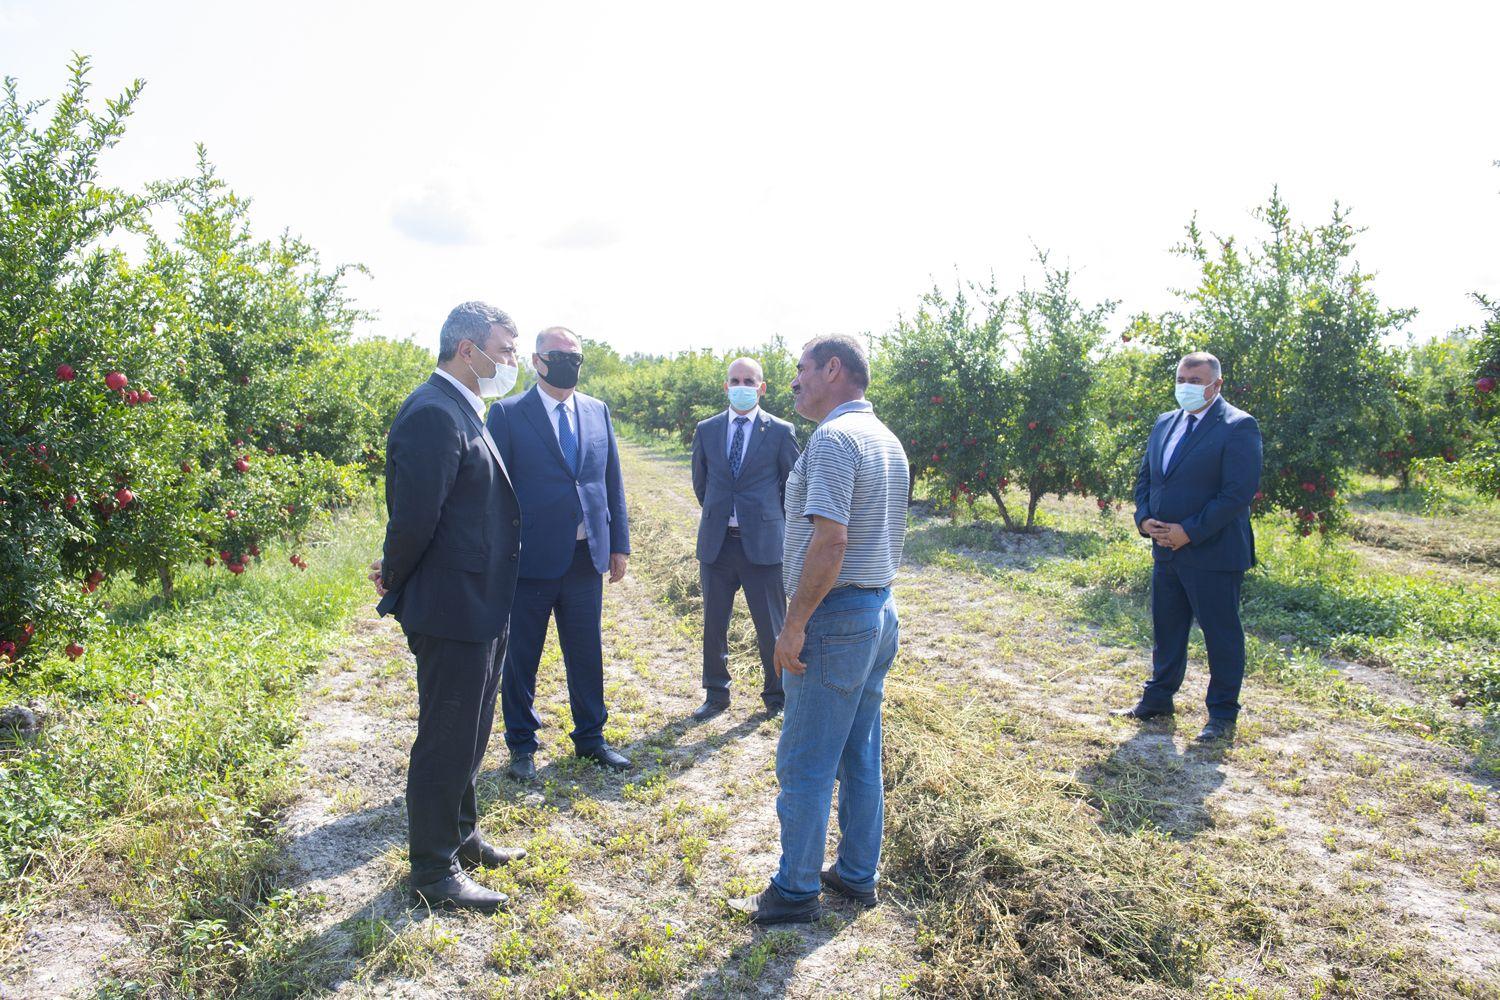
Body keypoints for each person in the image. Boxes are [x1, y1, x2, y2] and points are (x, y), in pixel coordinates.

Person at [728, 335, 908, 925]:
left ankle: (796, 889)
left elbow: (832, 541)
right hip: (877, 610)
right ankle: (856, 873)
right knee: (859, 752)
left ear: (833, 369)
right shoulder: (884, 438)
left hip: (834, 619)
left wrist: (795, 624)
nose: (793, 381)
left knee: (805, 759)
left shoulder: (835, 439)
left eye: (801, 368)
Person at [369, 301, 527, 913]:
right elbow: (414, 518)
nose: (511, 361)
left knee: (472, 730)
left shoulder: (464, 407)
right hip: (452, 607)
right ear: (468, 350)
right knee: (446, 736)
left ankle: (462, 835)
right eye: (505, 350)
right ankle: (433, 869)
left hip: (479, 602)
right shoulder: (433, 413)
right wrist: (394, 580)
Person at [486, 327, 633, 781]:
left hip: (586, 556)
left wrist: (619, 544)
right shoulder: (508, 414)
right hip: (530, 559)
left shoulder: (596, 410)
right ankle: (521, 745)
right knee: (522, 657)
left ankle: (591, 737)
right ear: (537, 361)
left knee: (586, 653)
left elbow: (611, 480)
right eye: (558, 355)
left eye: (575, 356)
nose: (568, 362)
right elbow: (494, 491)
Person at [1114, 351, 1263, 743]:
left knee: (1221, 634)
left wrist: (1189, 532)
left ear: (1217, 384)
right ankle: (1158, 699)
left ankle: (1222, 715)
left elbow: (1236, 494)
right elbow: (1147, 478)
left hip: (1214, 552)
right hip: (1165, 548)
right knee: (1168, 629)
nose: (1186, 387)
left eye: (1195, 381)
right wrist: (1144, 518)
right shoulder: (1165, 422)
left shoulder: (1238, 426)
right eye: (1182, 379)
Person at [688, 356, 800, 721]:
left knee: (771, 626)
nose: (741, 387)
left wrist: (770, 520)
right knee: (714, 625)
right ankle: (716, 694)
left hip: (763, 546)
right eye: (735, 380)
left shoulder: (780, 431)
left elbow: (793, 487)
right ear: (726, 387)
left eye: (748, 381)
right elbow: (701, 483)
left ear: (761, 388)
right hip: (717, 544)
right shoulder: (707, 429)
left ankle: (777, 695)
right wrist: (721, 513)